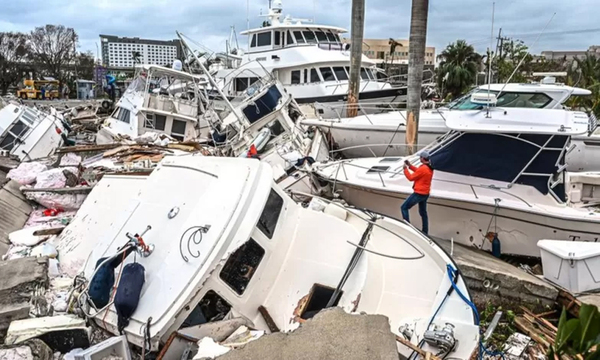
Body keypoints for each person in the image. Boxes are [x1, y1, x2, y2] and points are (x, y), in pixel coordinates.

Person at [401, 150, 434, 234]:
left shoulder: (423, 168)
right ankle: (425, 231)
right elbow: (418, 171)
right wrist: (410, 166)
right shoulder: (428, 167)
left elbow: (411, 178)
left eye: (420, 157)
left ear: (422, 158)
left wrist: (405, 169)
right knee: (423, 213)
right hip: (425, 193)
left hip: (419, 193)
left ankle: (407, 227)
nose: (419, 158)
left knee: (404, 207)